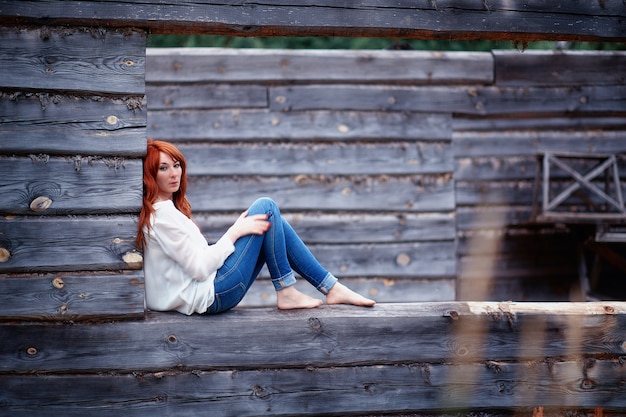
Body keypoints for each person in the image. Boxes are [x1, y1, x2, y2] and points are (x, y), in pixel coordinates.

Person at [136, 140, 375, 315]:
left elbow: (195, 263)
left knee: (272, 221)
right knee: (266, 207)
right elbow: (199, 269)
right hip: (210, 295)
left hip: (206, 291)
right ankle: (291, 290)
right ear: (150, 176)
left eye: (176, 165)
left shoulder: (165, 212)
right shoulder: (163, 216)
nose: (174, 173)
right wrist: (235, 232)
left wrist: (239, 231)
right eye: (163, 168)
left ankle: (330, 288)